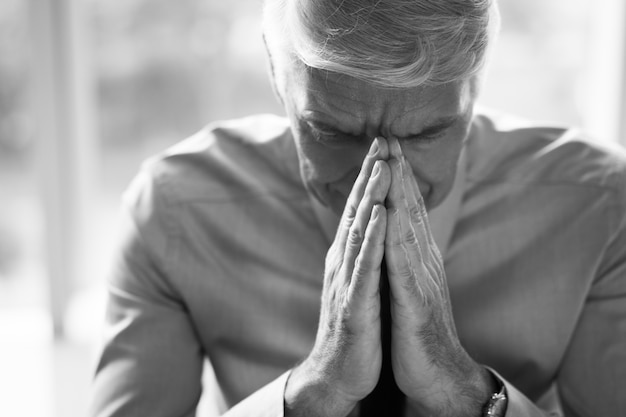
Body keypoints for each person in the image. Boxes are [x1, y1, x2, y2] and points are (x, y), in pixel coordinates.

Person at [89, 0, 626, 416]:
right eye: (333, 131)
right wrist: (315, 391)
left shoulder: (599, 207)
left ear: (476, 88)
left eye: (428, 131)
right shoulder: (176, 213)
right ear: (277, 74)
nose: (386, 172)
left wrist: (459, 391)